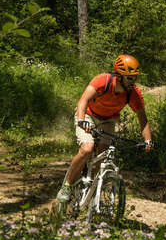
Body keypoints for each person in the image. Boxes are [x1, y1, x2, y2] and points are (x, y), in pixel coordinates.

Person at [56, 54, 153, 203]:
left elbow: (142, 117)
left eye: (135, 77)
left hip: (108, 120)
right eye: (130, 78)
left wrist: (148, 140)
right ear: (119, 76)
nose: (133, 82)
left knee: (103, 154)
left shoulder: (133, 93)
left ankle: (92, 189)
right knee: (87, 148)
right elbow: (84, 100)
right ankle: (67, 186)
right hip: (88, 115)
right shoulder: (103, 81)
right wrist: (81, 120)